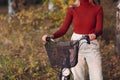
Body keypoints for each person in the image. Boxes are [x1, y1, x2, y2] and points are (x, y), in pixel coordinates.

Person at [42, 0, 103, 80]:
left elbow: (99, 29)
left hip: (91, 43)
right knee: (78, 76)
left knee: (97, 76)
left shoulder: (97, 8)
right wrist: (52, 36)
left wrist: (94, 34)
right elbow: (64, 29)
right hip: (75, 45)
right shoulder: (72, 9)